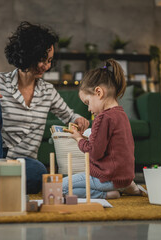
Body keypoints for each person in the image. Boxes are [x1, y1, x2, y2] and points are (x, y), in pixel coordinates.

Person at [0, 21, 89, 194]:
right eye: (42, 60)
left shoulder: (48, 91)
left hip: (23, 164)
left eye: (50, 60)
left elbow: (69, 116)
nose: (47, 66)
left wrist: (79, 120)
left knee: (39, 173)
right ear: (28, 55)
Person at [62, 59, 142, 199]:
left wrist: (78, 138)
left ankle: (105, 194)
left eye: (87, 102)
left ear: (98, 92)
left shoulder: (102, 118)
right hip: (124, 177)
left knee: (59, 187)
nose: (88, 108)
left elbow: (94, 152)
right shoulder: (121, 114)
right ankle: (127, 186)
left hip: (106, 179)